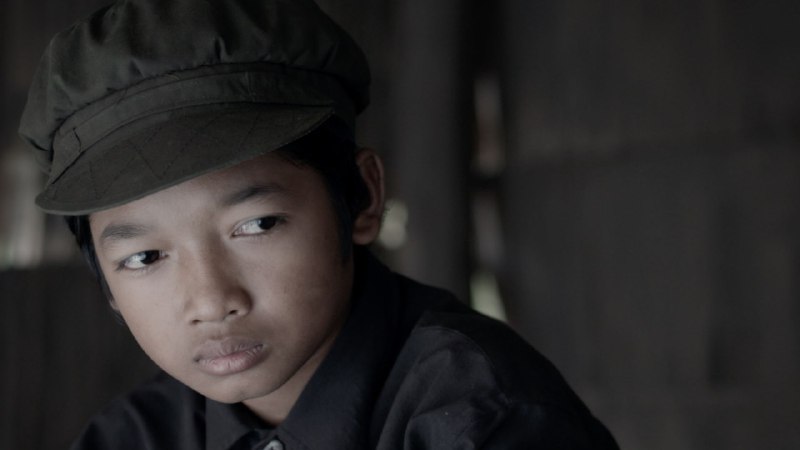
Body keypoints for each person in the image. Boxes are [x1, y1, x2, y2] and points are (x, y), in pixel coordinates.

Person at [19, 0, 619, 448]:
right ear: (105, 281)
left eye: (256, 224)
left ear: (361, 198)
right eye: (145, 257)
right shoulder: (134, 437)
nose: (211, 300)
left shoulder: (485, 422)